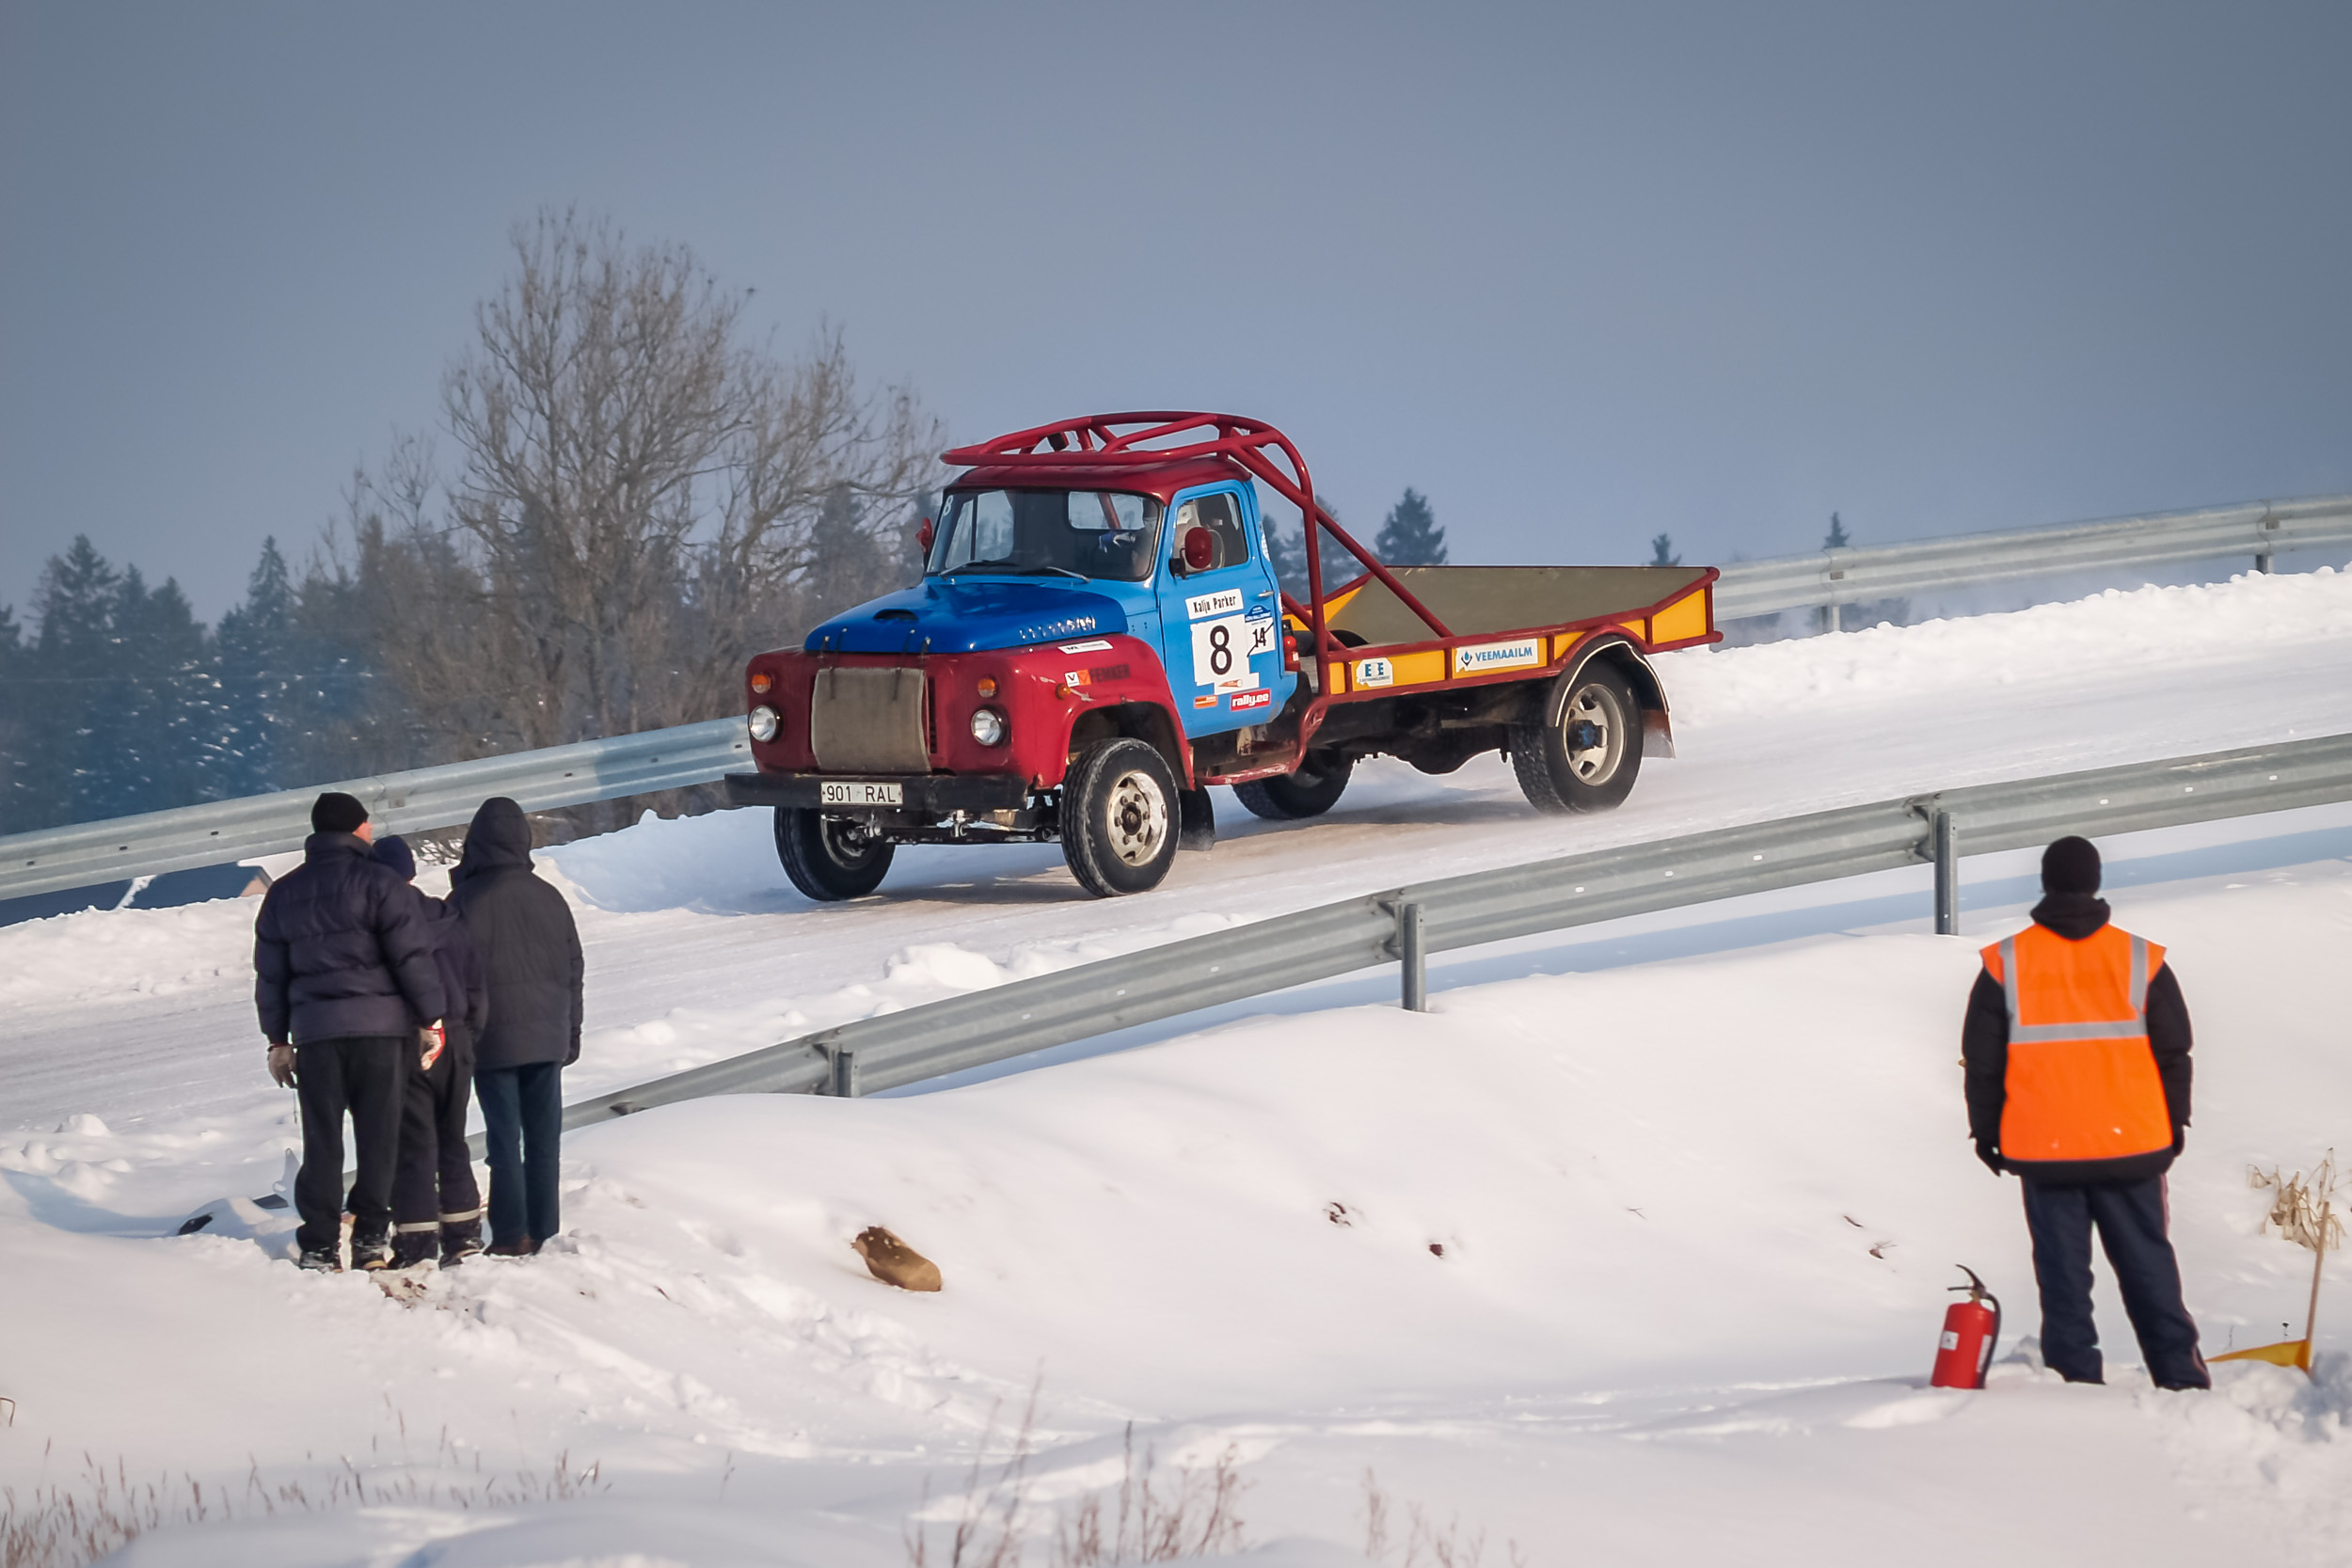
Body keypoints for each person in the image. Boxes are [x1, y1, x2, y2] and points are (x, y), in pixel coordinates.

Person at [1963, 835, 2208, 1390]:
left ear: (2045, 882)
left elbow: (1983, 1063)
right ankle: (2180, 1379)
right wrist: (2175, 1122)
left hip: (2044, 1149)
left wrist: (1986, 1133)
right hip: (2133, 1144)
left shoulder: (2005, 962)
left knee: (2063, 1280)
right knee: (2150, 1269)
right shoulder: (2141, 958)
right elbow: (2174, 1052)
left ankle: (2073, 1386)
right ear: (2096, 882)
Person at [254, 792, 446, 1273]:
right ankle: (369, 1241)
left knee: (323, 1142)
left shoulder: (283, 893)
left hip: (316, 1037)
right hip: (382, 1033)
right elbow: (412, 958)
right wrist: (431, 1018)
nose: (372, 831)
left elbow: (271, 976)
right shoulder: (381, 883)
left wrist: (278, 1040)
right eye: (368, 824)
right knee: (380, 1138)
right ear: (358, 829)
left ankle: (319, 1244)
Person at [450, 797, 583, 1258]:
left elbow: (447, 976)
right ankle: (545, 1228)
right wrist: (570, 1034)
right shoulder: (550, 897)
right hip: (547, 1038)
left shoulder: (463, 901)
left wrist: (461, 1040)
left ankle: (510, 1234)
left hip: (490, 1041)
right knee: (544, 1141)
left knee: (504, 1141)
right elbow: (573, 970)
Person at [372, 835, 490, 1268]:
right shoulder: (448, 917)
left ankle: (417, 1243)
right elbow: (476, 986)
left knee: (414, 1142)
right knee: (452, 1137)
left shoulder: (377, 921)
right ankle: (463, 1236)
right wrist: (468, 1036)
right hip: (456, 1038)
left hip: (411, 1038)